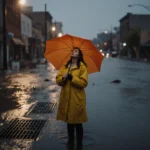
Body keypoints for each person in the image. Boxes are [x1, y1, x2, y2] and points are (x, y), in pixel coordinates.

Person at [56, 47, 88, 150]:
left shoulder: (82, 67)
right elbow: (58, 79)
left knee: (77, 122)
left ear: (78, 55)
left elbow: (84, 82)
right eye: (72, 50)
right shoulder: (66, 66)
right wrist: (63, 78)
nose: (73, 52)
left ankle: (79, 143)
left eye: (76, 51)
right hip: (66, 97)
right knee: (69, 121)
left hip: (77, 98)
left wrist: (71, 78)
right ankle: (70, 140)